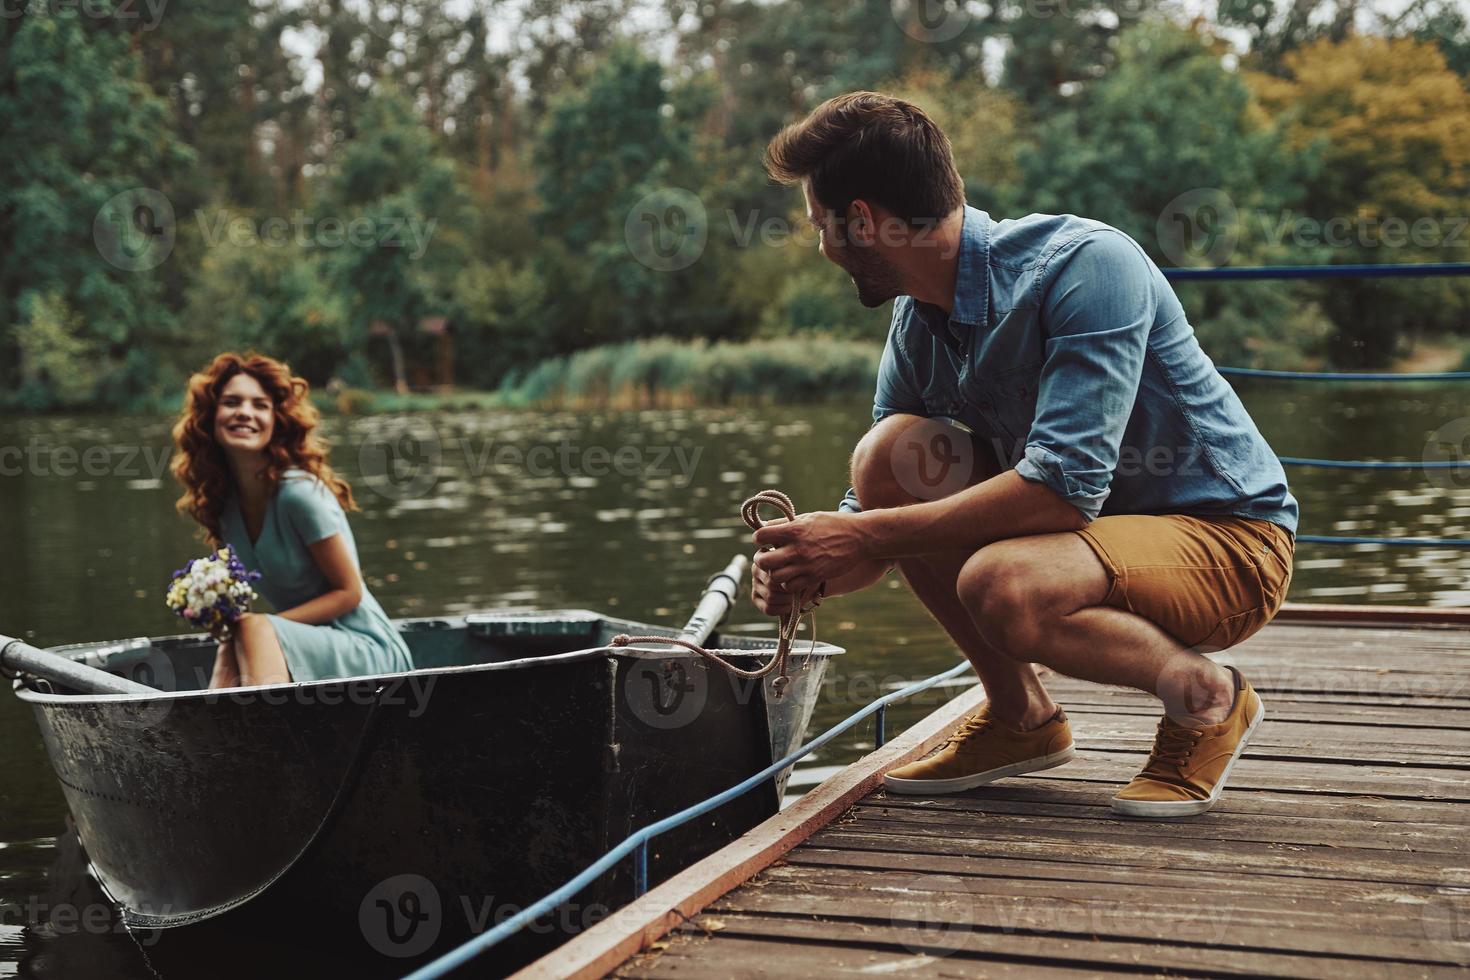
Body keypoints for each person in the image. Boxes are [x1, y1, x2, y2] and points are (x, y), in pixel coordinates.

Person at [749, 92, 1297, 818]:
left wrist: (862, 535)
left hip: (1230, 547)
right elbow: (876, 511)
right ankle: (1021, 720)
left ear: (864, 221)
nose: (823, 248)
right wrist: (813, 567)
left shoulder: (1087, 266)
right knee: (887, 458)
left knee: (1003, 583)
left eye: (823, 227)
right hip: (1083, 544)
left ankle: (1209, 699)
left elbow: (1063, 491)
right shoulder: (920, 318)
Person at [170, 352, 413, 689]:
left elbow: (350, 593)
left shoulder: (298, 494)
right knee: (235, 635)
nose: (245, 412)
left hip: (368, 647)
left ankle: (266, 734)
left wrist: (263, 624)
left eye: (260, 405)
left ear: (276, 420)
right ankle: (214, 732)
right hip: (303, 639)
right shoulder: (223, 507)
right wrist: (217, 613)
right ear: (211, 417)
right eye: (232, 402)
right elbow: (244, 607)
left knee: (252, 627)